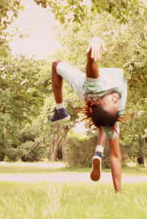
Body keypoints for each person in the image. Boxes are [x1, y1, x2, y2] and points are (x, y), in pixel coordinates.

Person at [50, 36, 127, 193]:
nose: (115, 99)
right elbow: (115, 156)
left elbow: (91, 61)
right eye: (115, 103)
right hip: (94, 102)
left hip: (84, 88)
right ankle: (98, 150)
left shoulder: (94, 86)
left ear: (99, 100)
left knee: (56, 64)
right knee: (106, 124)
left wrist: (95, 43)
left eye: (111, 102)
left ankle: (60, 110)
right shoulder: (117, 110)